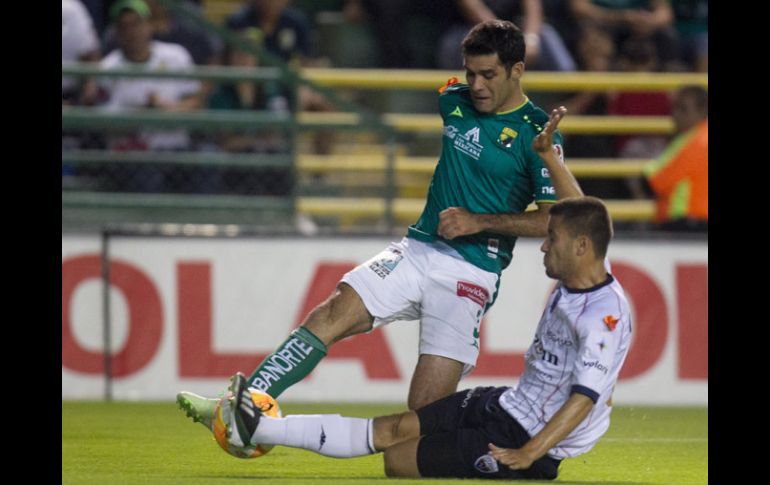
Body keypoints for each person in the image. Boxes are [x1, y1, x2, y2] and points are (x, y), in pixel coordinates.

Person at [178, 20, 570, 422]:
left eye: (488, 75)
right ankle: (237, 407)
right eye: (471, 73)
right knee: (329, 314)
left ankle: (495, 431)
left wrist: (478, 221)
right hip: (418, 249)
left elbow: (553, 220)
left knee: (424, 411)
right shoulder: (453, 98)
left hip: (473, 270)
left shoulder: (538, 133)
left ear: (517, 70)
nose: (477, 85)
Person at [216, 195, 630, 480]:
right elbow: (582, 209)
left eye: (551, 240)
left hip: (523, 439)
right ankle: (255, 427)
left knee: (397, 461)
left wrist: (530, 453)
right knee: (396, 427)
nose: (542, 248)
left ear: (580, 247)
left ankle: (255, 427)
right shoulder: (587, 262)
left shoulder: (602, 316)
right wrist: (548, 156)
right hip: (504, 402)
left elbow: (585, 398)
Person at [643, 85, 707, 231]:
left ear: (702, 111)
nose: (676, 115)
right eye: (674, 108)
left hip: (687, 223)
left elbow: (653, 181)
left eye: (683, 109)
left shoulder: (693, 141)